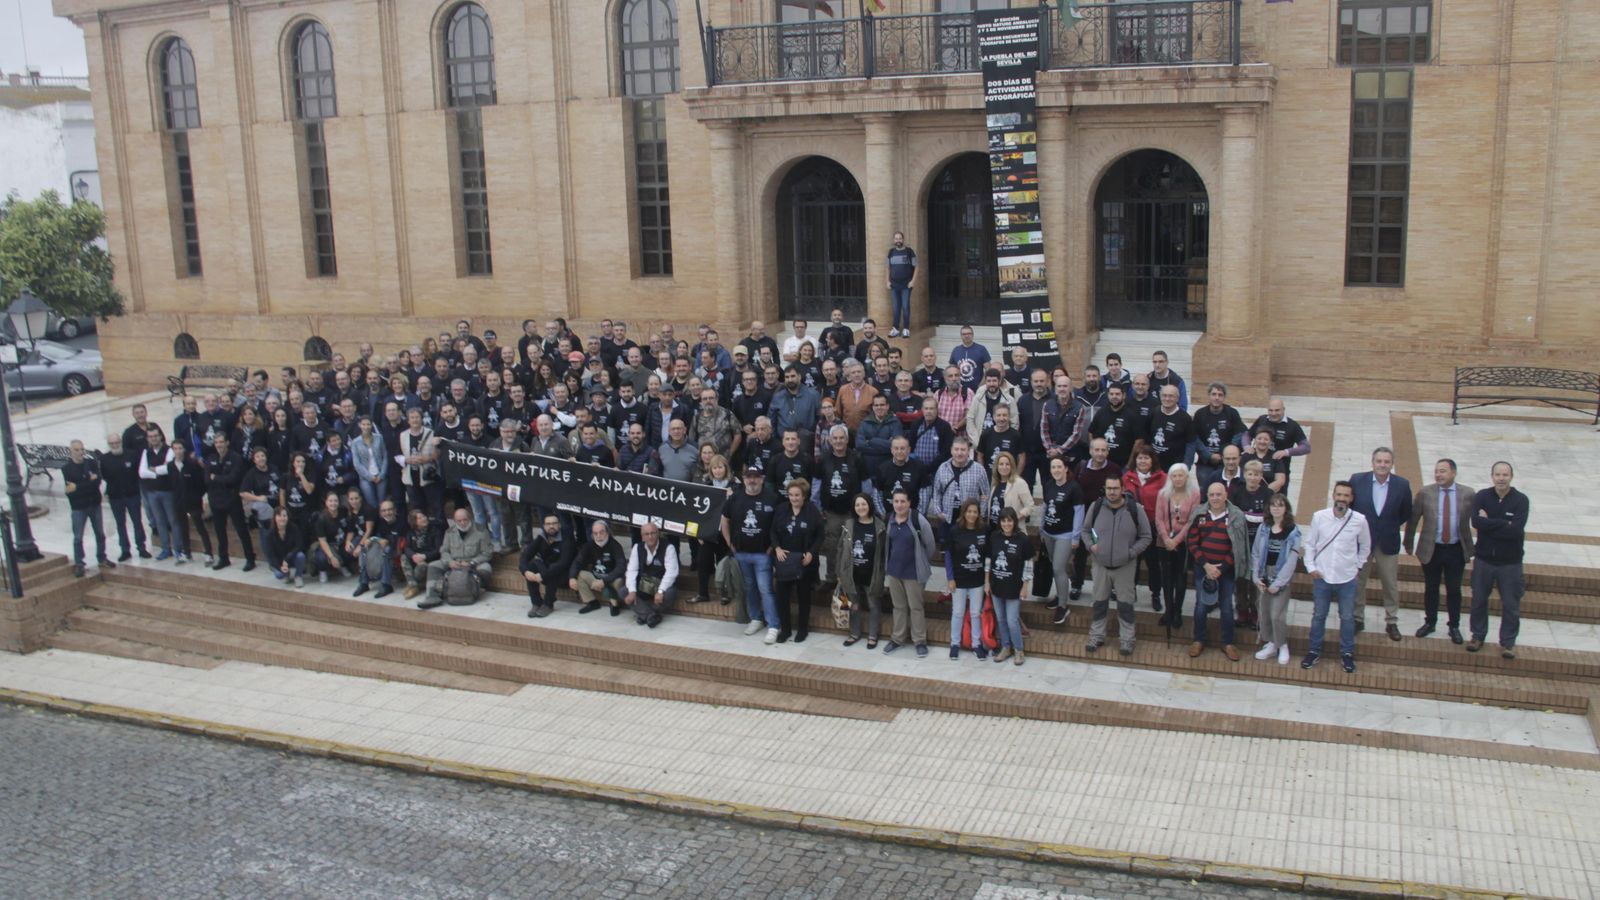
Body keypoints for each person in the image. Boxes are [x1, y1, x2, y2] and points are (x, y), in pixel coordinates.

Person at [1301, 481, 1372, 673]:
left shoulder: (1359, 520)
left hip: (1346, 579)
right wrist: (1310, 567)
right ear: (1333, 495)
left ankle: (1347, 653)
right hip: (1322, 576)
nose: (1342, 498)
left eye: (1346, 495)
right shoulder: (1319, 517)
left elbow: (1365, 546)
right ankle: (1314, 651)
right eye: (1339, 494)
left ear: (1351, 499)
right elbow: (1310, 544)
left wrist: (1357, 566)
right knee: (1318, 616)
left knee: (1347, 617)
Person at [1404, 458, 1473, 643]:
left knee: (1454, 589)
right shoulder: (1426, 493)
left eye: (1443, 471)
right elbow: (1413, 519)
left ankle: (1454, 626)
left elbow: (1478, 519)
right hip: (1431, 548)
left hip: (1456, 549)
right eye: (1436, 471)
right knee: (1431, 588)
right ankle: (1430, 622)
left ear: (1453, 473)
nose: (1438, 474)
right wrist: (1408, 542)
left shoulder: (1468, 493)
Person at [1084, 476, 1152, 656]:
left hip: (1125, 566)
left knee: (1125, 605)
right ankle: (1096, 635)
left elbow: (1146, 536)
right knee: (1099, 603)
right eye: (1109, 488)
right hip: (1100, 565)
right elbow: (1085, 531)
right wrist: (1091, 545)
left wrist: (1130, 553)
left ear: (1122, 489)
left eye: (1115, 488)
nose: (1112, 492)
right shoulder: (1096, 507)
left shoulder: (1134, 509)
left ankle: (1127, 639)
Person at [1350, 446, 1412, 642]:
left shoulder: (1402, 485)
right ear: (1372, 462)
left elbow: (1405, 512)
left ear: (1392, 464)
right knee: (1359, 582)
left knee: (1390, 583)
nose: (1382, 465)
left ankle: (1391, 620)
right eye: (1379, 461)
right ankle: (1357, 618)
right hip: (1362, 542)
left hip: (1388, 540)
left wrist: (1388, 526)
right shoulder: (1357, 480)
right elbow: (1350, 509)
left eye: (1386, 462)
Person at [1468, 461, 1529, 659]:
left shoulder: (1521, 500)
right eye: (1497, 474)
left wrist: (1489, 523)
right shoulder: (1482, 496)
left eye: (1505, 474)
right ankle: (1477, 636)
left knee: (1511, 604)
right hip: (1484, 560)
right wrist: (1504, 523)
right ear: (1492, 476)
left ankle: (1508, 643)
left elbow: (1515, 531)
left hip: (1510, 563)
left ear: (1511, 476)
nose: (1501, 478)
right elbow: (1476, 522)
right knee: (1478, 601)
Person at [1187, 482, 1250, 661]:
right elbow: (1192, 542)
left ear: (1225, 495)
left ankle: (1228, 642)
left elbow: (1237, 547)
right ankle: (1198, 640)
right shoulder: (1199, 513)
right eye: (1212, 494)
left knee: (1227, 608)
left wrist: (1221, 568)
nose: (1215, 498)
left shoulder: (1236, 515)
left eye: (1218, 494)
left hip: (1226, 571)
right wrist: (1206, 566)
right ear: (1207, 495)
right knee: (1200, 606)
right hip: (1203, 569)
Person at [723, 466, 781, 641]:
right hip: (741, 552)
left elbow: (779, 524)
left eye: (756, 477)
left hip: (763, 554)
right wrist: (730, 543)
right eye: (749, 477)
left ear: (762, 479)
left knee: (765, 589)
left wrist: (772, 547)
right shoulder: (735, 498)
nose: (752, 480)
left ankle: (773, 625)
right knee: (749, 588)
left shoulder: (773, 498)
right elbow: (725, 520)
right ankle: (756, 618)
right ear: (744, 478)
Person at [882, 489, 934, 658]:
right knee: (898, 607)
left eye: (902, 501)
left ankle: (920, 641)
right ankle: (897, 638)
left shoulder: (918, 520)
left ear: (909, 503)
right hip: (895, 571)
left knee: (916, 607)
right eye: (896, 501)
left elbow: (930, 546)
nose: (899, 505)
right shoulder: (889, 519)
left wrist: (921, 561)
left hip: (914, 573)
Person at [770, 478, 824, 643]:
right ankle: (785, 630)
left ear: (804, 496)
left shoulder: (812, 511)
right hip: (785, 560)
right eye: (791, 495)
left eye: (797, 495)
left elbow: (820, 535)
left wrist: (811, 553)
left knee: (803, 597)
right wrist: (777, 548)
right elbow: (772, 531)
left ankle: (802, 629)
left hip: (804, 561)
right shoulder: (781, 510)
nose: (794, 498)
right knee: (781, 596)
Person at [1251, 493, 1301, 665]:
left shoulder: (1293, 531)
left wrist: (1279, 583)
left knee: (1277, 615)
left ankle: (1283, 645)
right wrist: (1256, 576)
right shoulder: (1264, 527)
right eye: (1273, 505)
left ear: (1286, 508)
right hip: (1264, 573)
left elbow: (1292, 560)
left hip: (1281, 576)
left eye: (1280, 505)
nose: (1276, 508)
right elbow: (1256, 552)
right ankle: (1271, 643)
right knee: (1264, 612)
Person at [1038, 456, 1085, 625]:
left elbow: (1079, 512)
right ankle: (1059, 595)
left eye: (1059, 467)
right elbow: (1045, 506)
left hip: (1065, 535)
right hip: (1049, 533)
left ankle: (1063, 606)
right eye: (1053, 467)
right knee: (1055, 566)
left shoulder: (1074, 488)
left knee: (1058, 568)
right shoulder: (1048, 485)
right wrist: (1041, 527)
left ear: (1066, 468)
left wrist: (1076, 537)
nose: (1056, 470)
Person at [1154, 463, 1200, 628]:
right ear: (1170, 478)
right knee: (1166, 578)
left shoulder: (1194, 495)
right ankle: (1169, 610)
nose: (1178, 479)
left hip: (1183, 543)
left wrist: (1176, 541)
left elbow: (1191, 521)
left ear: (1187, 477)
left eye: (1181, 475)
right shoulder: (1163, 494)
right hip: (1164, 542)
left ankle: (1178, 611)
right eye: (1174, 475)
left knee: (1180, 579)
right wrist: (1167, 539)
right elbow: (1158, 519)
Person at [420, 507, 495, 609]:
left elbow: (487, 553)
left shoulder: (481, 531)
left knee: (486, 568)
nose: (463, 523)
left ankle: (475, 589)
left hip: (473, 562)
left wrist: (472, 563)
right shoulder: (449, 532)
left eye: (465, 520)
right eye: (459, 521)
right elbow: (444, 551)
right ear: (455, 521)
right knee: (433, 566)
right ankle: (432, 596)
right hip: (454, 562)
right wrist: (449, 562)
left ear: (470, 518)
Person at [838, 492, 886, 648]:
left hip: (872, 575)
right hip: (851, 575)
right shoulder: (849, 525)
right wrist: (840, 572)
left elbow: (884, 552)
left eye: (863, 504)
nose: (861, 507)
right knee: (853, 606)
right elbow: (840, 549)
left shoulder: (879, 526)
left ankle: (873, 635)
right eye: (857, 505)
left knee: (874, 605)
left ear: (869, 505)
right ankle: (854, 633)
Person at [1121, 447, 1166, 611]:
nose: (1143, 461)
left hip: (1153, 526)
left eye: (1146, 458)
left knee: (1154, 563)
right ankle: (1131, 591)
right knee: (1133, 561)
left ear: (1152, 460)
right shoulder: (1127, 478)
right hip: (1133, 527)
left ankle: (1155, 594)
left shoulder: (1162, 478)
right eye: (1140, 458)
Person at [62, 440, 115, 577]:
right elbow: (70, 490)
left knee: (100, 533)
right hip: (78, 507)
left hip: (94, 503)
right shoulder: (67, 468)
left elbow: (96, 483)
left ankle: (102, 558)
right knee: (78, 537)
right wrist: (88, 481)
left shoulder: (90, 463)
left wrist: (79, 486)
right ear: (71, 451)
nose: (80, 452)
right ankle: (79, 564)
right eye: (77, 450)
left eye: (82, 449)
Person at [946, 500, 990, 660]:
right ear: (964, 513)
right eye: (969, 511)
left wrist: (987, 579)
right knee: (957, 612)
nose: (972, 514)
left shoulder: (984, 530)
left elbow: (988, 556)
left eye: (975, 512)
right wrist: (950, 577)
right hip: (959, 579)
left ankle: (976, 644)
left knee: (975, 613)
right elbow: (948, 555)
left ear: (979, 514)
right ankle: (955, 644)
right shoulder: (955, 531)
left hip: (977, 579)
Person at [987, 507, 1031, 665]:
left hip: (1014, 587)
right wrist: (987, 581)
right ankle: (1006, 647)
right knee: (1001, 619)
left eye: (1009, 520)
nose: (1006, 524)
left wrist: (1025, 585)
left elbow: (1028, 563)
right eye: (1003, 521)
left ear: (1014, 521)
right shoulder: (994, 537)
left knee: (1012, 620)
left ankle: (1019, 649)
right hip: (997, 585)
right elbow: (988, 561)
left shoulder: (1022, 539)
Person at [205, 433, 256, 571]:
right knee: (220, 531)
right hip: (215, 500)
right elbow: (207, 479)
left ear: (227, 442)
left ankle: (250, 558)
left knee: (241, 530)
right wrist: (220, 478)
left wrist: (216, 477)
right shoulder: (211, 458)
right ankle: (223, 558)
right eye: (216, 443)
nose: (219, 445)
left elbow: (233, 479)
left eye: (221, 442)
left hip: (232, 499)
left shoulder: (236, 458)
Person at [100, 432, 151, 562]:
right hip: (115, 497)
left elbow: (137, 472)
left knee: (137, 522)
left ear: (120, 442)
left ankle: (141, 548)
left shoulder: (131, 454)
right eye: (112, 444)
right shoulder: (105, 459)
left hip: (132, 495)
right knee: (120, 524)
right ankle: (125, 550)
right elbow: (104, 476)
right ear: (109, 445)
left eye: (117, 442)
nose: (115, 445)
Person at [138, 426, 182, 562]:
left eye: (156, 435)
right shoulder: (146, 452)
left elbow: (168, 469)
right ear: (148, 439)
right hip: (152, 493)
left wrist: (153, 470)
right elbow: (142, 472)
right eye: (151, 436)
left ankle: (179, 549)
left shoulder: (169, 451)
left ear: (161, 436)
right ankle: (165, 549)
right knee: (159, 521)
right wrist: (158, 471)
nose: (154, 438)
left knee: (173, 520)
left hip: (168, 491)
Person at [1248, 398, 1310, 490]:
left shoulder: (1292, 425)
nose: (1273, 413)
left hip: (1281, 470)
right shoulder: (1262, 420)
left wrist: (1286, 452)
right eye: (1271, 410)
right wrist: (1247, 446)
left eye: (1277, 410)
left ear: (1283, 409)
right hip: (1257, 469)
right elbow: (1247, 435)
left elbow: (1306, 447)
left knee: (1279, 501)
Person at [567, 520, 627, 616]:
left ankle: (614, 604)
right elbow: (577, 561)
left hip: (610, 579)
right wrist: (572, 577)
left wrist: (604, 581)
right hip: (595, 577)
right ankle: (592, 602)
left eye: (601, 532)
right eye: (595, 533)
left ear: (607, 532)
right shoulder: (589, 545)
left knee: (619, 581)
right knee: (580, 574)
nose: (598, 536)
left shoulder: (615, 545)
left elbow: (621, 567)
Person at [624, 522, 679, 628]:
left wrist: (660, 591)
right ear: (642, 536)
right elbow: (631, 570)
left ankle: (643, 613)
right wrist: (632, 591)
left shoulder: (668, 547)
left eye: (653, 533)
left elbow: (671, 572)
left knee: (670, 593)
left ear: (658, 534)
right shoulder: (637, 547)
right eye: (647, 534)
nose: (650, 537)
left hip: (660, 584)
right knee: (624, 591)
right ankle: (651, 615)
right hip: (644, 584)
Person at [1190, 382, 1245, 487]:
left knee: (1224, 492)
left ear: (1224, 397)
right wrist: (1208, 455)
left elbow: (1239, 434)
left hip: (1225, 462)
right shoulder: (1200, 414)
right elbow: (1194, 438)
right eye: (1214, 394)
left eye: (1220, 395)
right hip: (1205, 463)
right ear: (1209, 395)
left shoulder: (1232, 413)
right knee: (1205, 493)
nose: (1217, 398)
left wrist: (1226, 453)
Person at [169, 441, 212, 566]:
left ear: (184, 449)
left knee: (200, 528)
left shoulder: (192, 465)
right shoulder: (170, 466)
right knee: (183, 528)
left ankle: (208, 554)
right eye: (175, 448)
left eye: (180, 448)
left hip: (193, 502)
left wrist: (198, 497)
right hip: (179, 503)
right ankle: (187, 553)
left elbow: (201, 483)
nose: (178, 451)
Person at [354, 499, 402, 598]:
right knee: (364, 548)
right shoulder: (381, 522)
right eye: (384, 511)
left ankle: (386, 585)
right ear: (380, 513)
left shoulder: (401, 522)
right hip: (383, 548)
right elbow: (377, 536)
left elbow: (401, 541)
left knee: (387, 550)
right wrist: (371, 539)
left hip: (398, 550)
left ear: (394, 510)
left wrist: (388, 541)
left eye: (389, 510)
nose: (387, 513)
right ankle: (364, 583)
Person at [401, 508, 445, 601]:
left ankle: (414, 585)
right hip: (416, 559)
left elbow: (438, 550)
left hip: (429, 559)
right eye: (419, 518)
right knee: (404, 557)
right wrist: (413, 556)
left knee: (422, 566)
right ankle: (413, 585)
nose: (424, 519)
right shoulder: (411, 532)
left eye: (424, 516)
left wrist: (424, 556)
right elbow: (407, 548)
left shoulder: (435, 530)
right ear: (414, 522)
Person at [309, 492, 349, 583]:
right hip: (326, 545)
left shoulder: (343, 512)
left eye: (335, 501)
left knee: (349, 552)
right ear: (326, 502)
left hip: (340, 543)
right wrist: (331, 557)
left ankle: (342, 566)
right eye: (330, 501)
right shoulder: (321, 518)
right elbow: (322, 541)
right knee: (321, 558)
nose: (333, 503)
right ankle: (322, 571)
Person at [986, 451, 1033, 528]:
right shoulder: (994, 482)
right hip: (993, 530)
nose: (1004, 467)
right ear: (997, 466)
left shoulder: (1019, 483)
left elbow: (1030, 506)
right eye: (1001, 464)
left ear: (1012, 467)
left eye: (1007, 464)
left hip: (1011, 530)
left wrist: (1014, 518)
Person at [266, 506, 308, 588]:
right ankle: (286, 575)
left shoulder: (294, 528)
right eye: (279, 516)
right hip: (280, 561)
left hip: (292, 557)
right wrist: (280, 566)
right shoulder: (270, 535)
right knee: (279, 575)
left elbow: (299, 545)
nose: (282, 518)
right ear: (274, 518)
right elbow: (271, 555)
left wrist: (287, 558)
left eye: (284, 516)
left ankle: (298, 576)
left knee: (301, 556)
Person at [886, 232, 917, 337]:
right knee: (895, 307)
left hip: (906, 285)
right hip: (894, 285)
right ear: (894, 240)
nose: (898, 240)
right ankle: (895, 329)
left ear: (903, 240)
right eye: (896, 238)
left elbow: (916, 266)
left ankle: (906, 329)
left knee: (905, 306)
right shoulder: (891, 252)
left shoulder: (909, 252)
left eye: (900, 238)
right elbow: (888, 268)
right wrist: (887, 281)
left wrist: (913, 281)